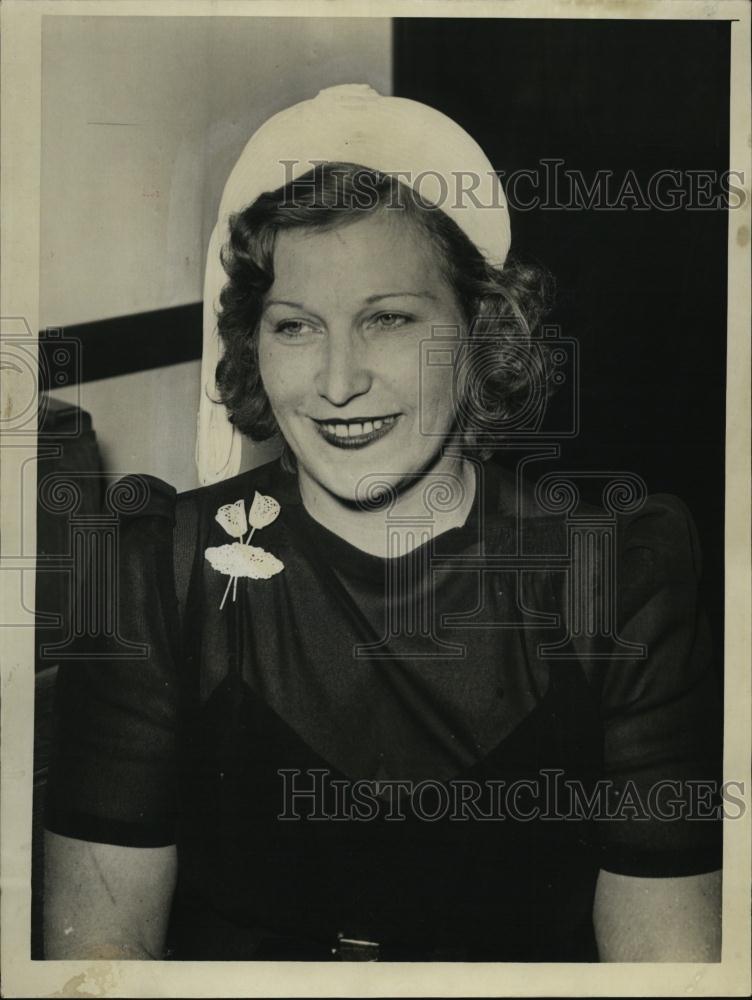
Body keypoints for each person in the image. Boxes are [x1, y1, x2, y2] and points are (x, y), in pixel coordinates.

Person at [43, 85, 722, 962]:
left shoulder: (616, 578)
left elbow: (665, 972)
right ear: (254, 345)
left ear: (481, 330)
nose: (336, 382)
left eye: (389, 319)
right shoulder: (152, 575)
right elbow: (99, 966)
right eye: (295, 327)